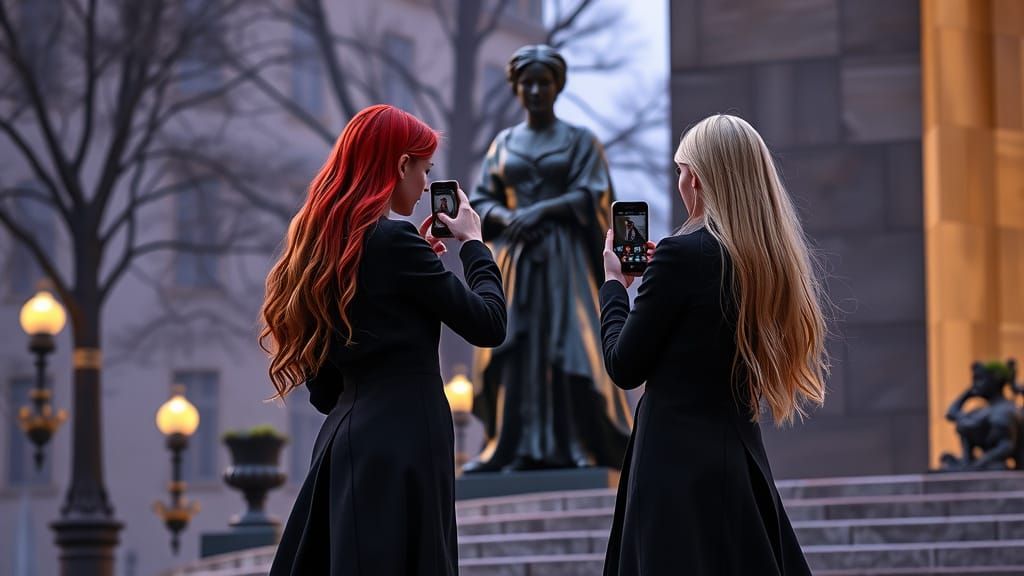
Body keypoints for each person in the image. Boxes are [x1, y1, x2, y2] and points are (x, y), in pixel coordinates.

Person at [259, 104, 507, 575]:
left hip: (344, 441)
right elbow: (489, 323)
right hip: (406, 440)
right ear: (400, 165)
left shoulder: (323, 249)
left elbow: (323, 391)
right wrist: (474, 244)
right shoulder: (396, 244)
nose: (423, 186)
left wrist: (416, 270)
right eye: (424, 170)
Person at [600, 114, 826, 575]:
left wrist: (613, 288)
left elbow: (624, 365)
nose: (680, 181)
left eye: (681, 171)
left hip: (673, 468)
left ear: (697, 178)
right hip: (739, 463)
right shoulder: (769, 261)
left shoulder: (679, 257)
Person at [466, 44, 632, 472]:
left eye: (544, 82)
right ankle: (508, 444)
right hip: (516, 262)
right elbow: (481, 198)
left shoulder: (580, 141)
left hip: (564, 261)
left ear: (558, 86)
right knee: (515, 345)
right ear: (516, 89)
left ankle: (576, 442)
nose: (536, 90)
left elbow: (593, 192)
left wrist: (540, 211)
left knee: (566, 345)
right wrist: (505, 214)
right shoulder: (503, 144)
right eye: (528, 83)